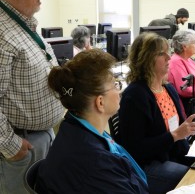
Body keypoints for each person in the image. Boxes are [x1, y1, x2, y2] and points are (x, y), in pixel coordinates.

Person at [35, 49, 149, 194]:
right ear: (100, 102)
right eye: (115, 85)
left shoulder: (72, 127)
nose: (119, 90)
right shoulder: (98, 164)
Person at [0, 0, 65, 194]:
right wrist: (11, 145)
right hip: (20, 146)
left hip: (41, 137)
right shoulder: (2, 33)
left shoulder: (22, 23)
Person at [118, 32, 195, 194]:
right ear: (146, 59)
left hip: (171, 154)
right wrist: (175, 136)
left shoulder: (168, 88)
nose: (169, 58)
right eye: (162, 54)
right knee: (192, 177)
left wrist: (186, 135)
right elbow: (134, 148)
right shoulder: (135, 95)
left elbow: (178, 133)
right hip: (147, 165)